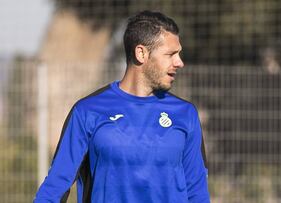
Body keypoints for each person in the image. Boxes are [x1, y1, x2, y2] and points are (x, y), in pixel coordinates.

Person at [34, 10, 210, 202]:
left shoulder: (185, 114)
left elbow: (197, 191)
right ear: (141, 53)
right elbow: (55, 187)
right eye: (170, 54)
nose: (179, 62)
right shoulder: (87, 111)